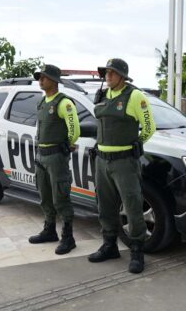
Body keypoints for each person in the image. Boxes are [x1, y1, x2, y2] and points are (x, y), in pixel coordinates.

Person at [88, 58, 156, 274]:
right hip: (101, 160)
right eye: (106, 72)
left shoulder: (134, 96)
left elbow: (149, 127)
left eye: (112, 72)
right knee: (105, 205)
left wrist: (135, 145)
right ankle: (109, 245)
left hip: (124, 162)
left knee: (132, 206)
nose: (107, 76)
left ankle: (137, 251)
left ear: (122, 76)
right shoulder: (102, 95)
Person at [28, 64, 80, 255]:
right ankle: (50, 230)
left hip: (57, 157)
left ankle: (68, 237)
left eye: (44, 77)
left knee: (61, 197)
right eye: (39, 77)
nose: (40, 80)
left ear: (54, 80)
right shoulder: (42, 102)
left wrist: (68, 143)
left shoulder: (63, 103)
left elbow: (75, 129)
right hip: (41, 155)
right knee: (45, 196)